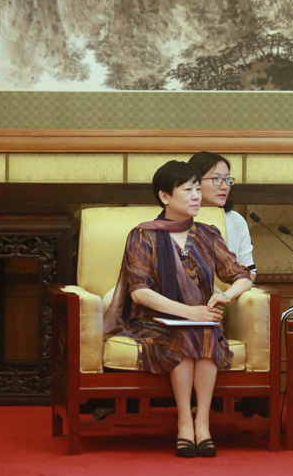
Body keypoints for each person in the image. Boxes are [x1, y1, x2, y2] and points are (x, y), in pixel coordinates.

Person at [105, 160, 253, 458]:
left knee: (205, 331)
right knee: (189, 331)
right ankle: (185, 422)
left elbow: (242, 276)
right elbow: (140, 292)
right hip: (153, 320)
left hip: (202, 320)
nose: (196, 196)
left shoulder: (208, 234)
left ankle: (203, 423)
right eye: (187, 190)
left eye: (198, 188)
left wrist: (227, 296)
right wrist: (189, 313)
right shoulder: (143, 235)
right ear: (165, 196)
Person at [188, 151, 256, 282]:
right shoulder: (180, 217)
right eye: (216, 179)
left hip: (230, 292)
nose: (224, 186)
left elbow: (250, 271)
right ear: (194, 182)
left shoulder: (236, 220)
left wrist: (229, 292)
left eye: (227, 179)